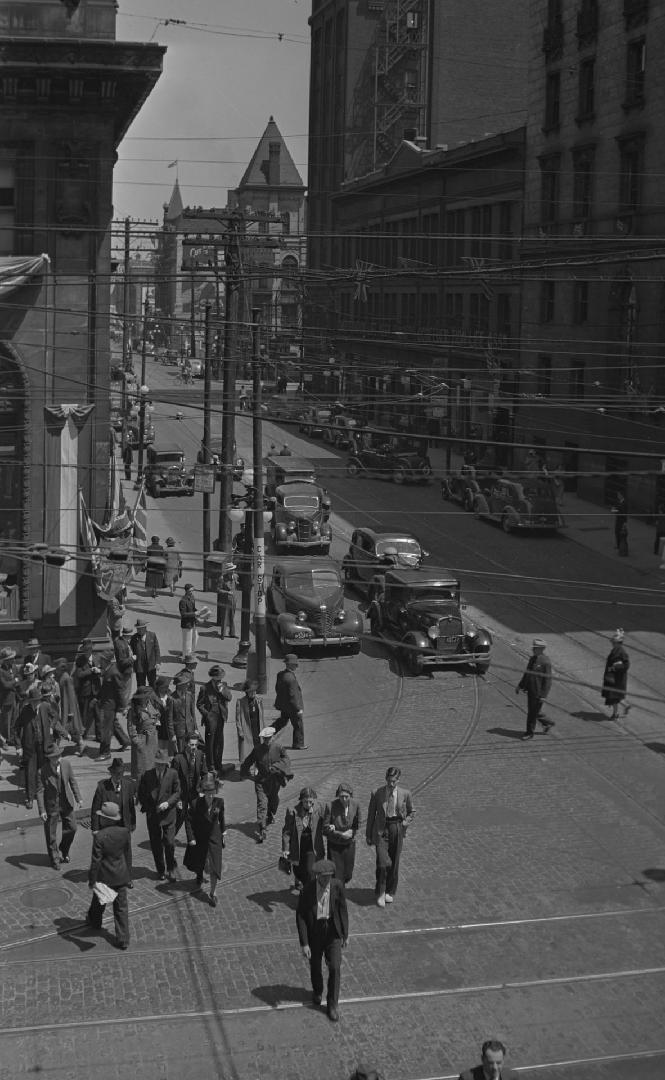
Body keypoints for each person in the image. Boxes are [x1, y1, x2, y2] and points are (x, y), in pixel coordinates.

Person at [296, 858, 348, 1023]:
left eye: (329, 877)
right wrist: (304, 943)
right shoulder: (308, 891)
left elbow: (342, 910)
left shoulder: (337, 886)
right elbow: (301, 916)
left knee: (335, 967)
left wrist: (345, 934)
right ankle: (317, 990)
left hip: (332, 932)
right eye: (323, 878)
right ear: (317, 876)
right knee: (315, 965)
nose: (326, 881)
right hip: (315, 932)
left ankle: (332, 1005)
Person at [366, 766, 415, 907]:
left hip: (396, 828)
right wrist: (368, 835)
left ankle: (390, 891)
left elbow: (412, 811)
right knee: (382, 863)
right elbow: (371, 815)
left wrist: (405, 822)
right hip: (381, 829)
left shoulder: (405, 794)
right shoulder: (377, 793)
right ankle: (380, 891)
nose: (391, 784)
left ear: (398, 780)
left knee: (394, 862)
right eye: (388, 780)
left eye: (393, 781)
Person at [86, 801, 132, 950]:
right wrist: (128, 875)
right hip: (120, 875)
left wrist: (92, 880)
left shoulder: (100, 836)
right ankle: (123, 939)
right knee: (121, 909)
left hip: (105, 877)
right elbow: (127, 854)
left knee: (99, 901)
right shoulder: (125, 832)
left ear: (105, 819)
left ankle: (95, 922)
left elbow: (96, 861)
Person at [240, 726, 293, 842]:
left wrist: (277, 767)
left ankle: (271, 813)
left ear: (273, 737)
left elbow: (286, 760)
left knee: (274, 800)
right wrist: (244, 772)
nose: (267, 740)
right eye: (265, 738)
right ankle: (262, 828)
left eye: (269, 738)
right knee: (262, 803)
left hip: (274, 781)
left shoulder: (279, 748)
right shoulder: (258, 749)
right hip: (261, 781)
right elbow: (248, 761)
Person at [138, 747, 181, 882]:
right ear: (155, 763)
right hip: (153, 816)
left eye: (163, 764)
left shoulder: (173, 774)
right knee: (156, 845)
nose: (161, 766)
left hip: (168, 814)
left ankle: (171, 868)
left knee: (169, 843)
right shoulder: (147, 775)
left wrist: (168, 803)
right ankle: (161, 870)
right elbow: (141, 793)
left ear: (166, 764)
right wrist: (148, 806)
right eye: (158, 764)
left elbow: (177, 792)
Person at [37, 744, 81, 869]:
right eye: (54, 757)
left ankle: (64, 848)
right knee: (51, 835)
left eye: (58, 756)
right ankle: (54, 859)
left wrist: (79, 797)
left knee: (72, 828)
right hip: (52, 806)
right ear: (49, 758)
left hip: (66, 802)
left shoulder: (66, 764)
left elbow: (72, 781)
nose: (57, 759)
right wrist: (42, 810)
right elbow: (39, 791)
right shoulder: (42, 771)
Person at [189, 773, 226, 905]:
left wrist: (224, 833)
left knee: (215, 865)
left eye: (213, 793)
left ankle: (213, 892)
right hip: (201, 838)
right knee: (202, 863)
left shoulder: (219, 802)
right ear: (203, 793)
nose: (210, 796)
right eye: (208, 793)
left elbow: (221, 819)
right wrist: (191, 837)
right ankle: (199, 874)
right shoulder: (195, 804)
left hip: (215, 838)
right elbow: (189, 821)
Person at [282, 786, 326, 890]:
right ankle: (298, 879)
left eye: (311, 802)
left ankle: (306, 893)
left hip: (312, 845)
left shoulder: (319, 809)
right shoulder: (293, 811)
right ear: (301, 800)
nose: (308, 804)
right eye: (306, 802)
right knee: (298, 869)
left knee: (309, 870)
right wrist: (286, 848)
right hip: (298, 845)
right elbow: (287, 831)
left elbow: (326, 822)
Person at [516, 638, 554, 740]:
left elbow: (548, 681)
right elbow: (527, 674)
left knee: (532, 713)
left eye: (536, 648)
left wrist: (543, 696)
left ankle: (529, 733)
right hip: (531, 690)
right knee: (534, 711)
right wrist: (520, 685)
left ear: (542, 649)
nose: (533, 650)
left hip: (538, 693)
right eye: (533, 648)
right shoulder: (532, 659)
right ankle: (548, 722)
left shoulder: (546, 662)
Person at [197, 665, 232, 773]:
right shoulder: (205, 688)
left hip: (221, 716)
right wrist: (207, 715)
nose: (220, 680)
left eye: (221, 678)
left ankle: (218, 763)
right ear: (213, 677)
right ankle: (211, 765)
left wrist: (222, 690)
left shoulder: (223, 685)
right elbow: (199, 704)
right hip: (211, 717)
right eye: (218, 678)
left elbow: (229, 698)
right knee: (211, 742)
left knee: (219, 741)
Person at [324, 782, 361, 885]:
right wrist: (337, 832)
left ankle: (340, 888)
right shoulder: (330, 806)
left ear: (351, 795)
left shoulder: (356, 805)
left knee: (348, 874)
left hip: (349, 845)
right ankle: (337, 896)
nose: (344, 799)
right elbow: (325, 828)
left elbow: (358, 823)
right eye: (341, 797)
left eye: (346, 797)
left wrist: (352, 831)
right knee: (337, 875)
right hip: (334, 846)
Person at [173, 732, 206, 845]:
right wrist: (177, 799)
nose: (194, 748)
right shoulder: (178, 758)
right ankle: (169, 836)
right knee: (180, 816)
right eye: (192, 745)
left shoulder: (200, 755)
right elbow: (174, 780)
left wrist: (203, 789)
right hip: (182, 793)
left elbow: (205, 773)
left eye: (196, 745)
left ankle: (192, 838)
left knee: (192, 815)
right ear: (186, 744)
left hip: (194, 792)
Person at [96, 655, 132, 761]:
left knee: (106, 729)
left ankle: (105, 752)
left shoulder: (114, 672)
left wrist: (123, 706)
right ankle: (125, 740)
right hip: (107, 703)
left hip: (110, 705)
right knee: (113, 723)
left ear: (105, 661)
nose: (99, 663)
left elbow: (120, 690)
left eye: (101, 660)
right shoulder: (108, 670)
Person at [126, 684, 160, 780]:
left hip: (152, 740)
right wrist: (138, 742)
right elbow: (131, 728)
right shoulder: (133, 710)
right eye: (146, 696)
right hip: (143, 740)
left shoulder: (150, 704)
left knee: (152, 764)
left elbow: (157, 714)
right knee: (141, 767)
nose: (148, 697)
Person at [273, 654, 306, 750]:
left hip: (284, 705)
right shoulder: (291, 679)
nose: (297, 666)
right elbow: (294, 695)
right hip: (292, 706)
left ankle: (267, 733)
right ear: (290, 664)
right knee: (298, 725)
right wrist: (298, 708)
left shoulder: (280, 675)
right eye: (295, 664)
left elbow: (277, 689)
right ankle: (298, 744)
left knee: (281, 722)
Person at [54, 657, 85, 756]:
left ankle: (80, 745)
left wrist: (71, 711)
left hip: (69, 707)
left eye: (57, 668)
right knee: (68, 727)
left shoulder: (66, 678)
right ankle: (79, 744)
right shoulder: (63, 677)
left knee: (70, 727)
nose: (56, 670)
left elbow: (71, 695)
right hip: (65, 706)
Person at [601, 628, 631, 721]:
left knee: (614, 697)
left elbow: (626, 665)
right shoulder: (616, 649)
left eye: (614, 642)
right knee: (616, 696)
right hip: (612, 677)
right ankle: (625, 706)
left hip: (616, 679)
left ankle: (615, 714)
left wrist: (616, 666)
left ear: (618, 643)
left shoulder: (621, 651)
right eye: (612, 641)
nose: (612, 643)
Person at [73, 644, 101, 738]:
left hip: (96, 691)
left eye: (88, 649)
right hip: (85, 691)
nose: (87, 651)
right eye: (85, 650)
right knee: (84, 714)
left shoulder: (97, 658)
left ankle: (99, 736)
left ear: (91, 649)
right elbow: (79, 674)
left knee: (98, 714)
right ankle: (82, 735)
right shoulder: (79, 660)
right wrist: (91, 670)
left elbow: (104, 670)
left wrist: (99, 671)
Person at [167, 673, 198, 752]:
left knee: (191, 752)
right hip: (179, 732)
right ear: (180, 685)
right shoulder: (171, 698)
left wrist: (196, 728)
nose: (188, 685)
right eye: (185, 683)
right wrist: (172, 734)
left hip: (190, 730)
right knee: (181, 753)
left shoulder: (189, 695)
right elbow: (169, 719)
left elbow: (193, 714)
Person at [235, 679, 263, 765]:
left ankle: (258, 768)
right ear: (247, 692)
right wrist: (240, 731)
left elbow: (262, 718)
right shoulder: (240, 702)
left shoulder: (258, 700)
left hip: (257, 728)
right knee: (248, 751)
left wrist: (264, 730)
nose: (253, 693)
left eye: (254, 691)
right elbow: (238, 718)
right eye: (251, 692)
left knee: (259, 748)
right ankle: (246, 769)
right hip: (247, 729)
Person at [130, 618, 161, 688]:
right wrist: (132, 665)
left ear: (145, 628)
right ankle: (141, 698)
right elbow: (131, 651)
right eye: (138, 629)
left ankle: (152, 698)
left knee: (152, 684)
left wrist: (158, 662)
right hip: (139, 666)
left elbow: (157, 649)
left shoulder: (152, 635)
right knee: (141, 685)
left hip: (151, 665)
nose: (139, 630)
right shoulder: (134, 638)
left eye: (141, 629)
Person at [0, 646, 19, 746]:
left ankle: (11, 739)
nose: (14, 660)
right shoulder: (1, 671)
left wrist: (15, 681)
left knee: (14, 720)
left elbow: (18, 677)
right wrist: (14, 681)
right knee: (5, 721)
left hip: (15, 698)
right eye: (12, 658)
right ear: (6, 660)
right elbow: (5, 685)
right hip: (5, 699)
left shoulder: (14, 667)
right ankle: (3, 741)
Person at [215, 564, 237, 640]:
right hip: (225, 601)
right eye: (232, 569)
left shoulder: (235, 576)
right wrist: (227, 592)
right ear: (228, 571)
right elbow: (218, 589)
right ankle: (222, 635)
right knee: (224, 617)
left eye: (233, 569)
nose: (233, 571)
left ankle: (232, 633)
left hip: (233, 600)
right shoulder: (222, 578)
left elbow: (236, 584)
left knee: (232, 617)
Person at [178, 583, 199, 660]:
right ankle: (185, 657)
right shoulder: (183, 601)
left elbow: (193, 608)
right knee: (187, 641)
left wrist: (199, 612)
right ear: (186, 591)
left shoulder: (192, 597)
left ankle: (190, 653)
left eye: (192, 590)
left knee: (195, 637)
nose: (192, 592)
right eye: (190, 591)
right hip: (186, 624)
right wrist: (194, 613)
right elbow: (183, 614)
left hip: (192, 622)